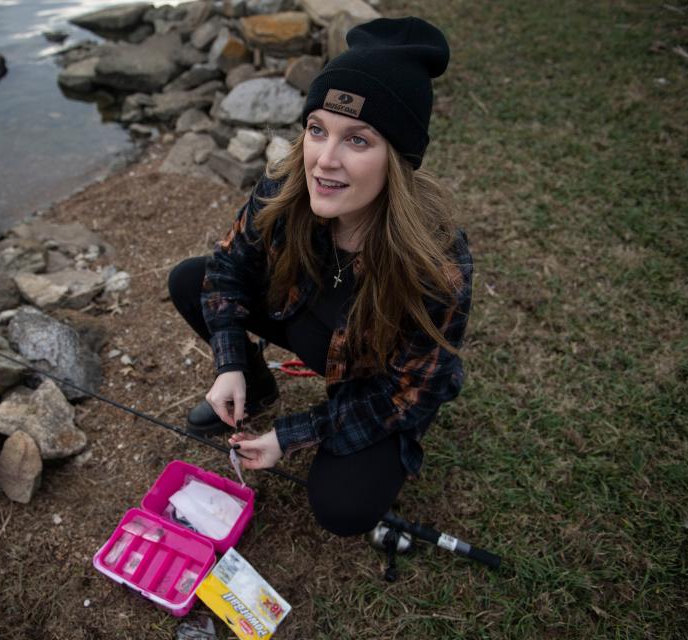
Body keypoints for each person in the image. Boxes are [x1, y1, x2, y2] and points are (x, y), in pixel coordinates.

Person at [167, 16, 473, 537]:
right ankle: (255, 388)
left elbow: (408, 394)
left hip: (373, 379)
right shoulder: (282, 191)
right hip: (306, 325)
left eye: (358, 140)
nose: (323, 162)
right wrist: (229, 363)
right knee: (190, 279)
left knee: (342, 508)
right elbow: (226, 268)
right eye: (317, 130)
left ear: (397, 159)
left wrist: (292, 436)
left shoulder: (437, 264)